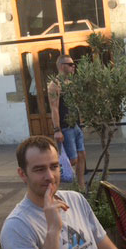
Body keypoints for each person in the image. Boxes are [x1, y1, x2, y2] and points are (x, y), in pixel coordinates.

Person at [0, 136, 126, 249]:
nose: (50, 176)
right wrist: (53, 230)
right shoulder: (17, 225)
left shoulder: (75, 199)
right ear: (22, 174)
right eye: (39, 169)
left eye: (54, 166)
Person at [48, 54, 86, 190]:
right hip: (65, 127)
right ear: (61, 66)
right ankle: (61, 187)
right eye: (70, 64)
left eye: (73, 64)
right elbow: (54, 108)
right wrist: (57, 130)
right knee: (71, 160)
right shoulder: (55, 85)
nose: (73, 66)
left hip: (76, 125)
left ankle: (81, 188)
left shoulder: (71, 83)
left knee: (82, 156)